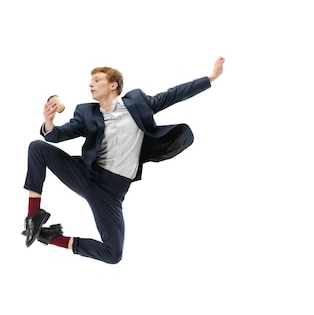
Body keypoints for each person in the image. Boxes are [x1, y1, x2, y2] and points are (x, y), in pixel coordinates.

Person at [22, 56, 225, 264]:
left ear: (113, 85)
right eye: (91, 80)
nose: (90, 84)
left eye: (97, 80)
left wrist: (211, 78)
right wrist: (49, 123)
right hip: (87, 176)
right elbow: (57, 135)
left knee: (113, 254)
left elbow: (174, 94)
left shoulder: (138, 103)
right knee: (37, 148)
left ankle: (50, 237)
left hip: (112, 193)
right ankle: (33, 218)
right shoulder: (86, 113)